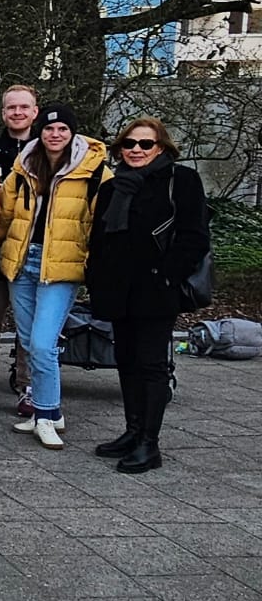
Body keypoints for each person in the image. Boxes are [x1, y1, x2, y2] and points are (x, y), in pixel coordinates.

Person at [87, 117, 209, 474]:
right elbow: (101, 237)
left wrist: (167, 277)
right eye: (129, 144)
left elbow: (194, 236)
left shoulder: (180, 180)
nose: (136, 150)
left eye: (145, 144)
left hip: (156, 288)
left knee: (152, 365)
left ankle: (149, 444)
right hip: (119, 288)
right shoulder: (112, 187)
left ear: (161, 148)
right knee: (126, 360)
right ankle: (133, 430)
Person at [0, 104, 110, 450]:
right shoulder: (24, 168)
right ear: (39, 132)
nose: (54, 135)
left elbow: (101, 225)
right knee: (30, 343)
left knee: (43, 343)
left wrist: (93, 263)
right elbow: (4, 216)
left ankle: (46, 414)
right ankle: (49, 411)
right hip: (22, 264)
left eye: (62, 129)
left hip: (61, 268)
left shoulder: (95, 172)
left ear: (72, 133)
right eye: (48, 129)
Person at [0, 84, 39, 415]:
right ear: (3, 113)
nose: (17, 113)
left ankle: (27, 385)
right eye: (11, 108)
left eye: (23, 107)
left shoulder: (49, 152)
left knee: (28, 325)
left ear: (34, 112)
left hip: (33, 252)